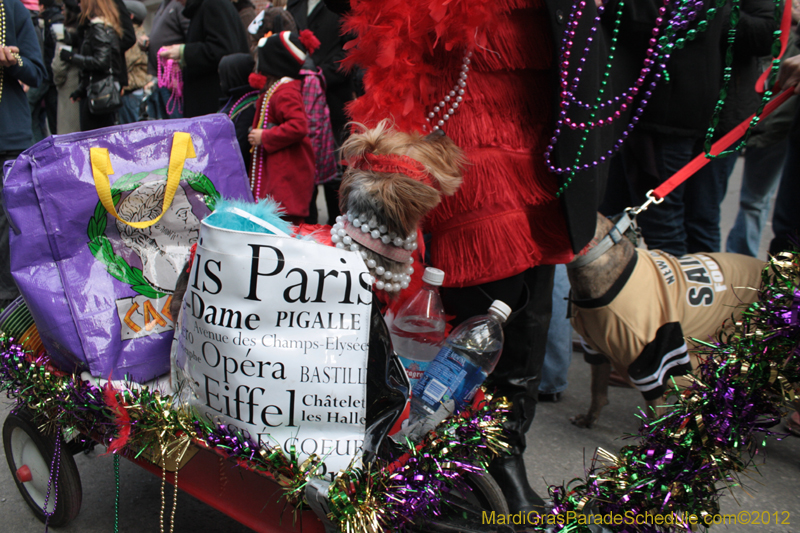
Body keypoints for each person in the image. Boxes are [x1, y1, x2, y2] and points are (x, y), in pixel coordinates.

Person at [322, 0, 620, 515]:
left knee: (528, 303)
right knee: (470, 309)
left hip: (540, 125)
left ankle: (501, 455)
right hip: (451, 129)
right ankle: (447, 460)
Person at [287, 0, 354, 225]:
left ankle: (337, 225)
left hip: (333, 97)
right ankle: (309, 225)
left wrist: (318, 72)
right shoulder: (295, 4)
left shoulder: (340, 5)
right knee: (305, 168)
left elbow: (350, 47)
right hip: (301, 97)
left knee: (335, 171)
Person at [1, 0, 47, 308]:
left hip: (8, 134)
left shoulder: (12, 10)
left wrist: (12, 61)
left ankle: (8, 311)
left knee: (8, 229)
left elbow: (37, 74)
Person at [245, 31, 315, 225]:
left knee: (284, 223)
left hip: (284, 177)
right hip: (276, 174)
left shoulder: (285, 92)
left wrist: (265, 136)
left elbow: (299, 126)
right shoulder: (277, 89)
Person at [157, 0, 249, 118]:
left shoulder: (213, 4)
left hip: (214, 103)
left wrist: (183, 52)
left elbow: (223, 49)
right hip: (210, 103)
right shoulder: (203, 7)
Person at [59, 0, 126, 130]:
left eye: (81, 2)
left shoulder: (98, 28)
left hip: (100, 94)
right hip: (99, 91)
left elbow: (101, 62)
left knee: (95, 141)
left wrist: (72, 57)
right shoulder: (104, 27)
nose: (78, 5)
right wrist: (81, 90)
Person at [137, 0, 189, 119]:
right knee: (165, 123)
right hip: (160, 77)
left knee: (176, 122)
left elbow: (189, 34)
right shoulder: (163, 6)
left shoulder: (179, 5)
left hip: (174, 77)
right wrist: (149, 41)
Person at [218, 52, 257, 168]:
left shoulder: (247, 109)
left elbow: (239, 147)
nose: (220, 83)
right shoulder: (236, 102)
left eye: (222, 77)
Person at [50, 0, 81, 134]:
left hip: (69, 87)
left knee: (68, 135)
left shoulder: (65, 34)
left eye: (63, 9)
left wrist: (58, 81)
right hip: (83, 89)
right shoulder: (84, 32)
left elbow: (58, 66)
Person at [118, 0, 148, 124]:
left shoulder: (134, 35)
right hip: (133, 91)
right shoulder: (139, 33)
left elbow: (127, 61)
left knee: (131, 131)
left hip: (131, 91)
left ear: (130, 16)